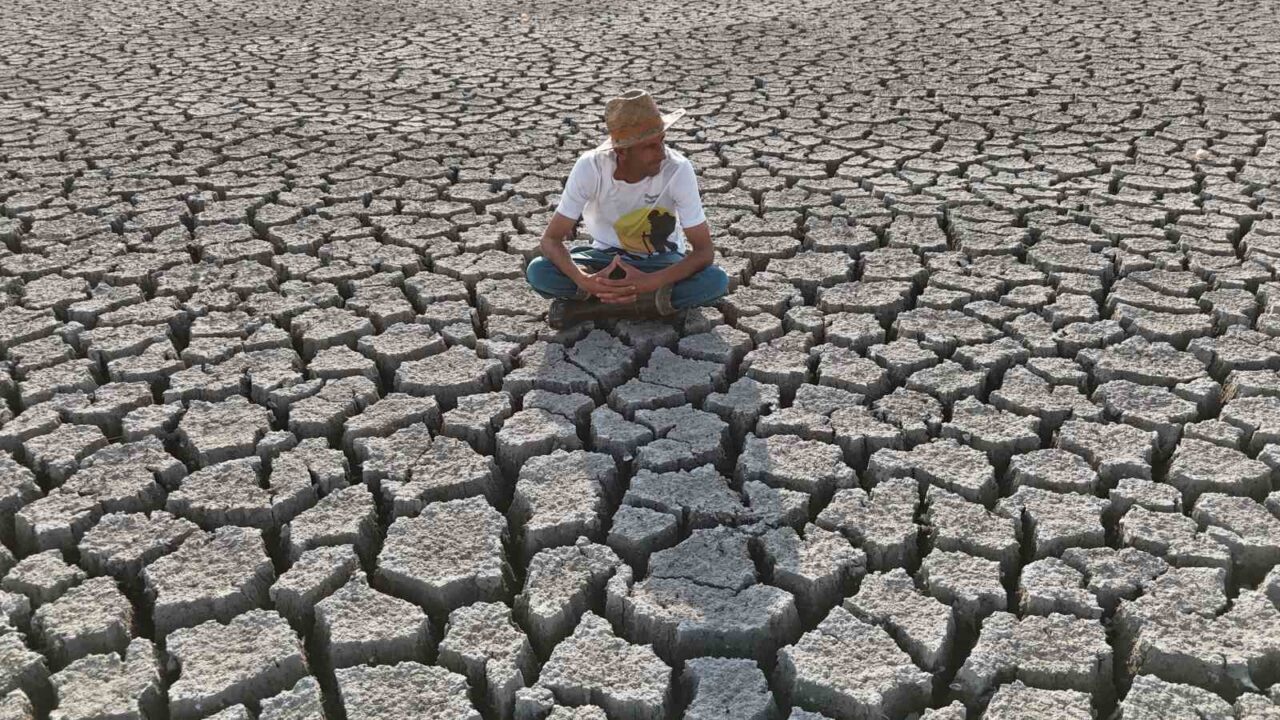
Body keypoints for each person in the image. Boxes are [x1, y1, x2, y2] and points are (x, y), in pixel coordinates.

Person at [525, 88, 729, 329]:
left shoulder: (678, 169)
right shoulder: (591, 167)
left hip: (660, 264)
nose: (661, 153)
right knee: (539, 270)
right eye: (650, 146)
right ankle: (652, 306)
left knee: (715, 281)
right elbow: (550, 240)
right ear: (621, 151)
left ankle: (591, 309)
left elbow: (704, 251)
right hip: (604, 262)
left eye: (662, 141)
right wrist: (585, 279)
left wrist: (648, 283)